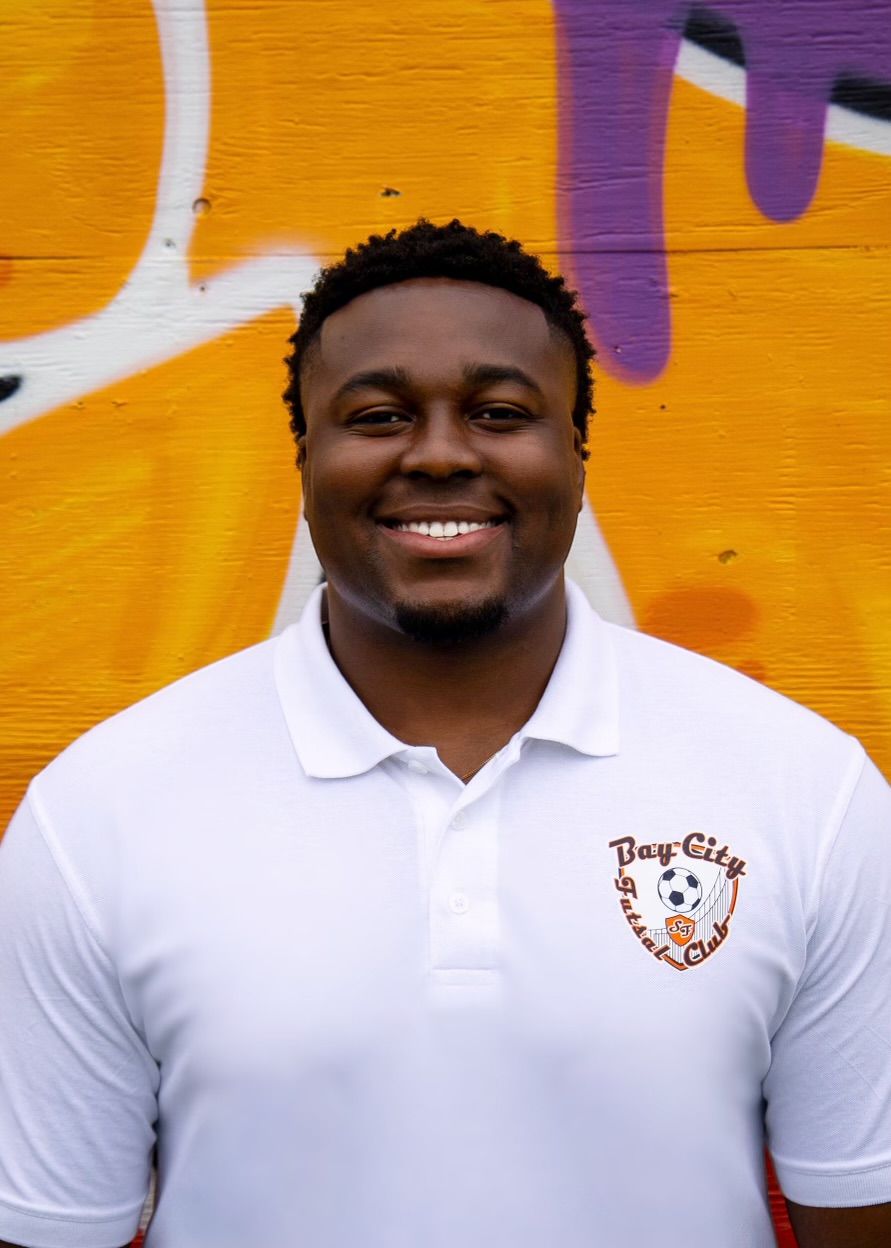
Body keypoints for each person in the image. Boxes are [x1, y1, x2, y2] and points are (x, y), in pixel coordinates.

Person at [0, 219, 889, 1248]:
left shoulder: (802, 791)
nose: (438, 453)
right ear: (306, 454)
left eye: (499, 411)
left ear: (575, 449)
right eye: (377, 415)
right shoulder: (101, 815)